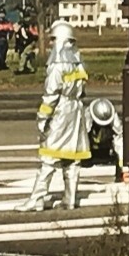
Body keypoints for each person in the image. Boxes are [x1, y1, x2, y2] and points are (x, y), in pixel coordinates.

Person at [18, 20, 89, 211]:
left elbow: (50, 96)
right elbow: (82, 91)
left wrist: (42, 119)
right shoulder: (78, 63)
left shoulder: (57, 66)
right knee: (72, 157)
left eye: (53, 40)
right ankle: (70, 198)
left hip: (61, 111)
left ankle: (37, 199)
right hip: (76, 111)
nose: (50, 44)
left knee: (49, 156)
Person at [84, 98, 124, 184]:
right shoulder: (87, 119)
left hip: (106, 152)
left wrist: (121, 163)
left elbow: (119, 137)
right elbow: (82, 135)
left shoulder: (113, 119)